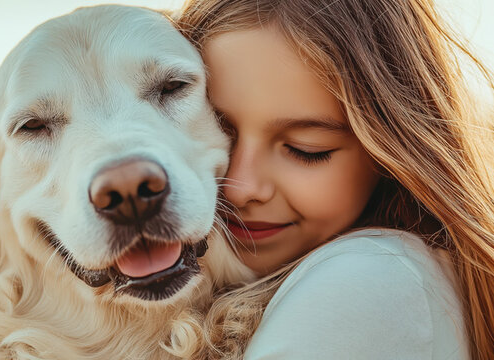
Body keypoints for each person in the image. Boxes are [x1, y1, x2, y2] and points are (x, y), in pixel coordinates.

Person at [172, 0, 494, 358]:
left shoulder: (368, 277)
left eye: (306, 149)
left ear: (387, 153)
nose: (242, 187)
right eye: (218, 132)